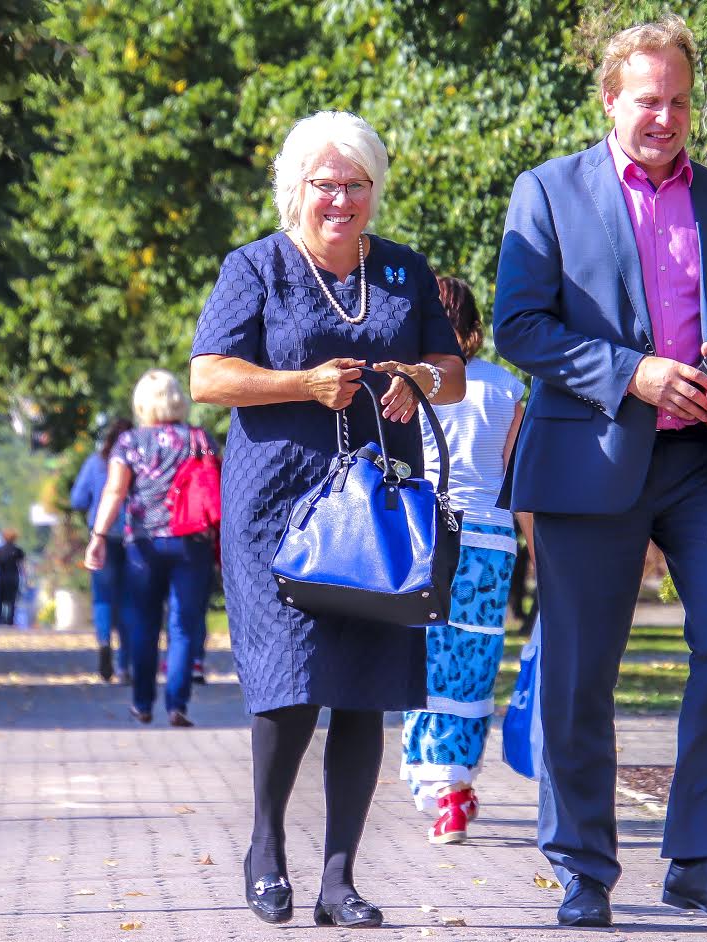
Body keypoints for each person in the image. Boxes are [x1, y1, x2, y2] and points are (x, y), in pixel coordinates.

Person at [492, 15, 707, 929]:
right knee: (579, 674)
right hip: (589, 460)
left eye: (679, 101)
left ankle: (698, 858)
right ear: (610, 99)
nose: (664, 117)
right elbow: (519, 326)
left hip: (702, 459)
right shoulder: (546, 194)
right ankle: (582, 869)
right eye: (647, 99)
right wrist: (633, 372)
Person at [189, 111, 465, 929]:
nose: (340, 199)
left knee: (364, 690)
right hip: (277, 504)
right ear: (296, 189)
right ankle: (266, 845)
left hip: (380, 510)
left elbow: (451, 371)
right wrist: (300, 384)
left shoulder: (405, 274)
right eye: (325, 184)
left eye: (355, 184)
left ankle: (338, 879)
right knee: (288, 687)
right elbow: (208, 375)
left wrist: (417, 376)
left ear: (374, 190)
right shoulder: (257, 267)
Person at [400, 275, 532, 844]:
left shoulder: (409, 388)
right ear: (476, 330)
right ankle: (455, 784)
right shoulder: (508, 390)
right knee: (472, 660)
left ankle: (442, 787)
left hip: (423, 540)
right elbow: (519, 483)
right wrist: (540, 555)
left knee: (421, 658)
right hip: (488, 542)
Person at [83, 370, 216, 728]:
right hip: (192, 542)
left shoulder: (128, 442)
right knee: (184, 626)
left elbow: (114, 491)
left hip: (144, 545)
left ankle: (142, 703)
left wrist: (98, 536)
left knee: (142, 625)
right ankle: (177, 706)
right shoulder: (199, 439)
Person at [71, 417, 135, 682]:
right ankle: (124, 665)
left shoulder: (96, 463)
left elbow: (77, 499)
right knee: (130, 599)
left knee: (103, 596)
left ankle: (104, 641)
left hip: (103, 535)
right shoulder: (141, 461)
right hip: (134, 537)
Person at [0, 528, 25, 627]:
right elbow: (21, 565)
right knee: (12, 599)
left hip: (2, 577)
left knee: (0, 598)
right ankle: (10, 620)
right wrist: (25, 577)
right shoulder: (18, 550)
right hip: (13, 577)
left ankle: (0, 619)